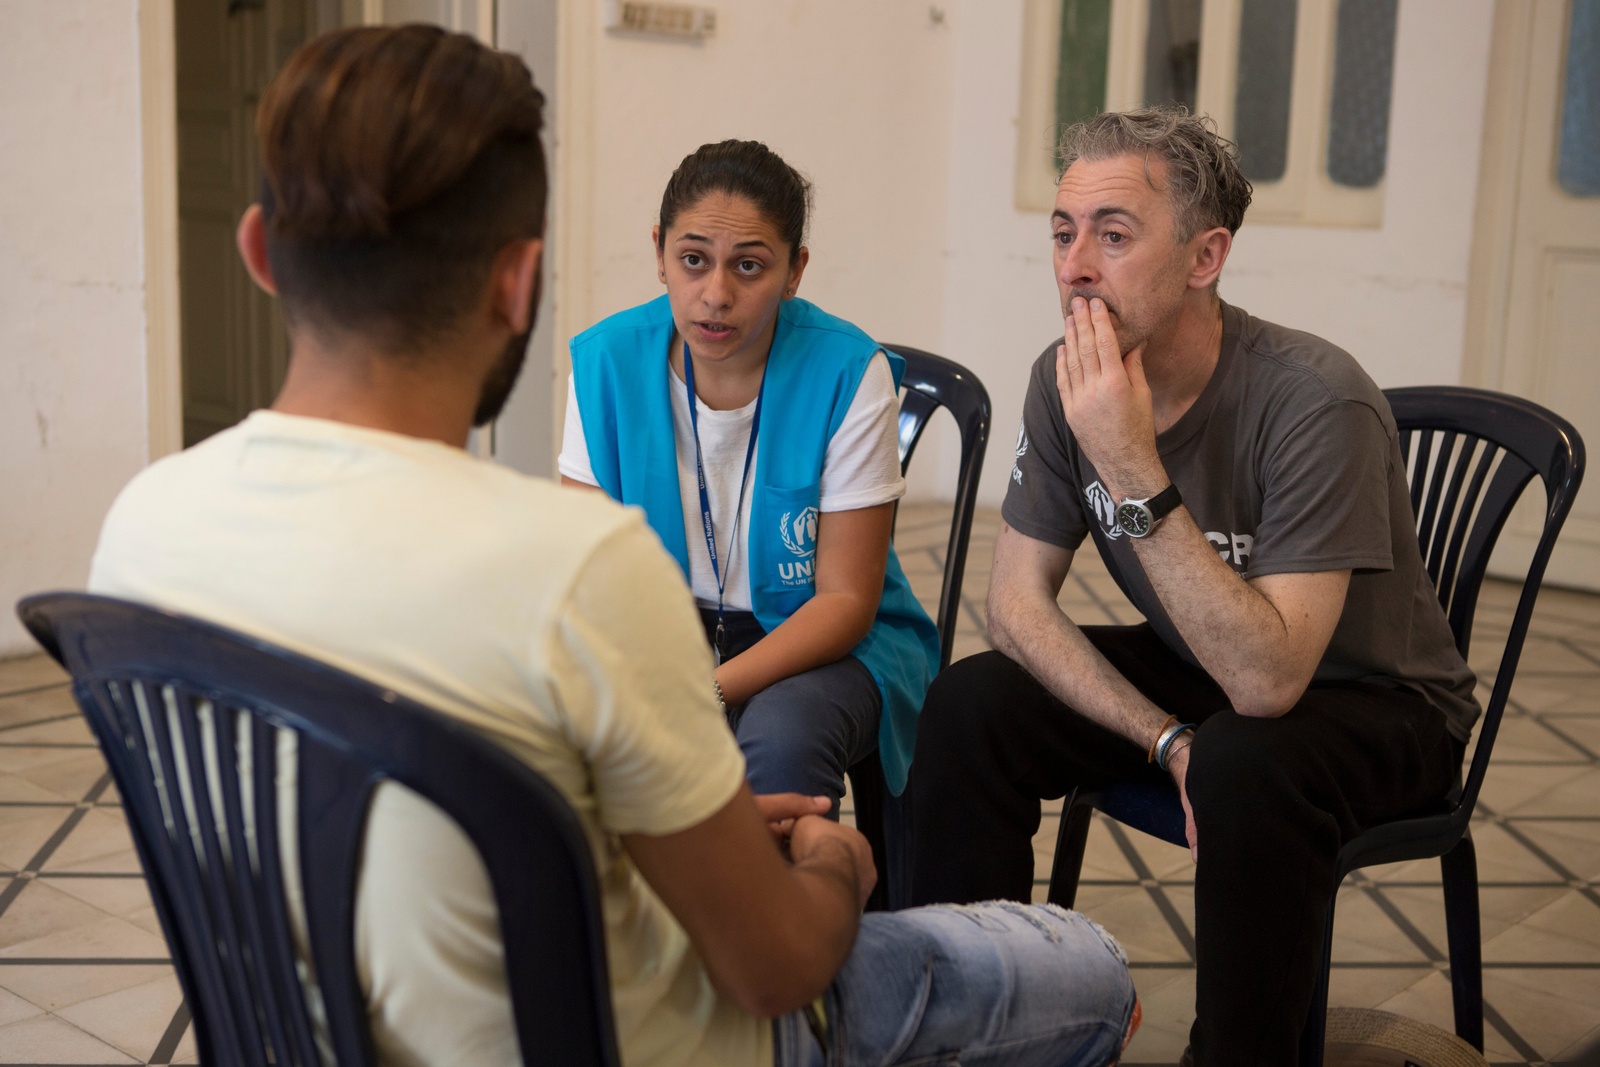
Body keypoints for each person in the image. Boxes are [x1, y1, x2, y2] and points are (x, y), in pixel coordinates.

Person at [88, 26, 1138, 1067]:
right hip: (651, 1034)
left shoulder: (141, 529)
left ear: (260, 252)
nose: (715, 292)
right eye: (693, 262)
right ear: (520, 285)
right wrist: (824, 863)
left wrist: (686, 826)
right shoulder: (581, 574)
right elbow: (770, 968)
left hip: (322, 1037)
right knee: (1085, 965)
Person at [907, 107, 1479, 1066]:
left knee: (1244, 761)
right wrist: (1163, 735)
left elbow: (1268, 685)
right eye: (1063, 231)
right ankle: (977, 1026)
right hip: (1211, 679)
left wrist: (1132, 465)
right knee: (972, 703)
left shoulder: (1315, 399)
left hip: (1380, 707)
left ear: (1205, 257)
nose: (1075, 264)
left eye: (1114, 235)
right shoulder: (1064, 381)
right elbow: (1015, 605)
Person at [559, 140, 939, 815]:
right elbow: (588, 575)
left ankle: (777, 920)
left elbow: (846, 603)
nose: (716, 295)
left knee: (780, 742)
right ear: (659, 253)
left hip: (824, 638)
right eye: (693, 260)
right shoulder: (605, 365)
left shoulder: (848, 372)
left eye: (750, 266)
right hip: (668, 631)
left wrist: (707, 689)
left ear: (795, 271)